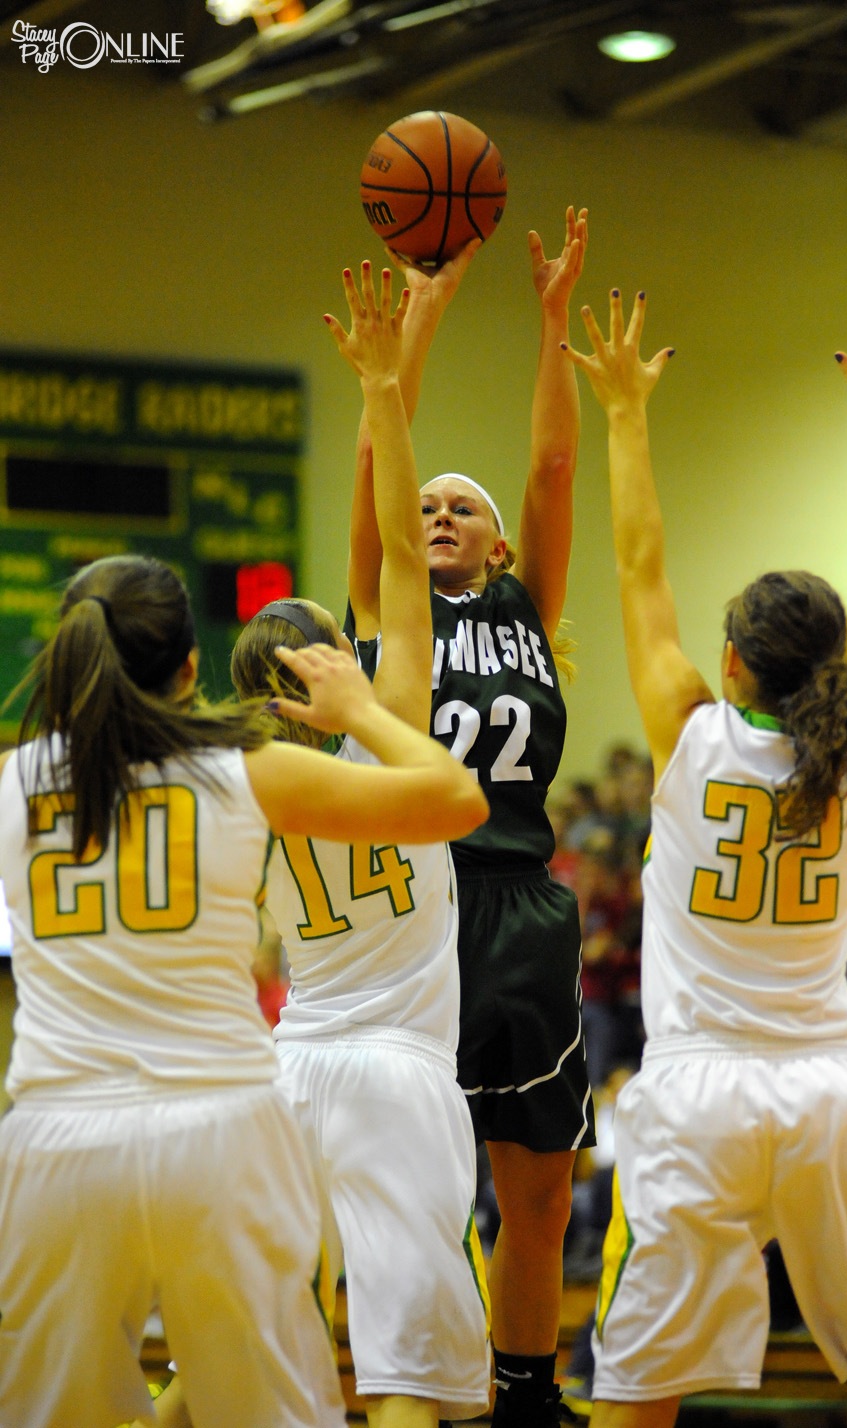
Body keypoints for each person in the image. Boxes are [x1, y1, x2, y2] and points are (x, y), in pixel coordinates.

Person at [565, 290, 847, 1428]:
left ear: (728, 663)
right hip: (831, 1093)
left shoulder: (687, 729)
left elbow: (638, 565)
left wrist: (625, 411)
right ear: (834, 667)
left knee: (635, 1391)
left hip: (695, 1095)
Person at [0, 551, 487, 1428]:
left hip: (60, 1131)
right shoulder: (242, 771)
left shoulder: (13, 780)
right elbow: (456, 797)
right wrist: (365, 711)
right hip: (218, 1124)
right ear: (189, 668)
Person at [232, 260, 493, 1428]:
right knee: (404, 1374)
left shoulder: (240, 780)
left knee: (255, 1349)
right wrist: (383, 388)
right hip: (395, 1074)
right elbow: (400, 552)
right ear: (337, 663)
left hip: (285, 1073)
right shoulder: (390, 753)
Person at [348, 207, 594, 1428]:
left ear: (497, 541)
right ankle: (411, 1374)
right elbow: (375, 470)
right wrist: (420, 317)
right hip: (426, 910)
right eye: (427, 501)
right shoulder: (390, 603)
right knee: (423, 1180)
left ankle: (524, 1391)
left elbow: (552, 469)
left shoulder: (528, 608)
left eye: (462, 505)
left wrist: (551, 322)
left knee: (536, 1187)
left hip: (527, 908)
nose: (438, 512)